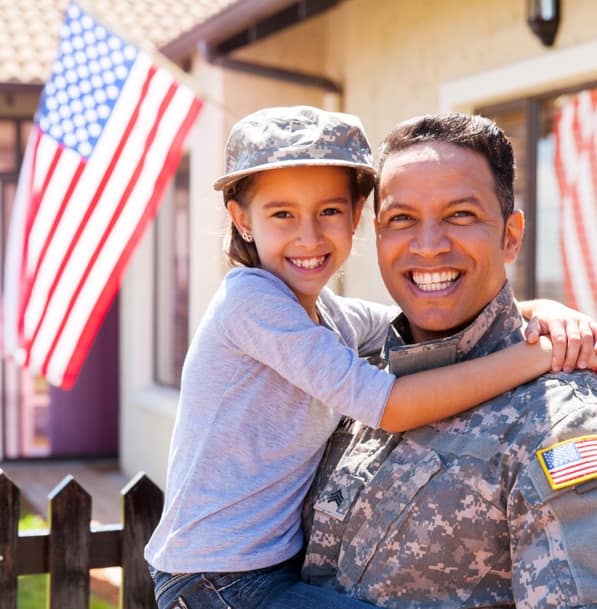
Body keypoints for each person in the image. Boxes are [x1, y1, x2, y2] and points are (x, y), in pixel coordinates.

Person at [145, 106, 595, 609]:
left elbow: (410, 312)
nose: (309, 235)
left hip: (254, 574)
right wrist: (537, 354)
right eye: (282, 214)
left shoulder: (560, 420)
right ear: (241, 220)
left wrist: (544, 312)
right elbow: (392, 405)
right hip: (223, 579)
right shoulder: (257, 306)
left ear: (356, 218)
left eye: (460, 215)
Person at [302, 112, 597, 609]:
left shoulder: (559, 424)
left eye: (460, 215)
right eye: (402, 219)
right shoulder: (354, 376)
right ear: (377, 236)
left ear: (510, 235)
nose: (429, 246)